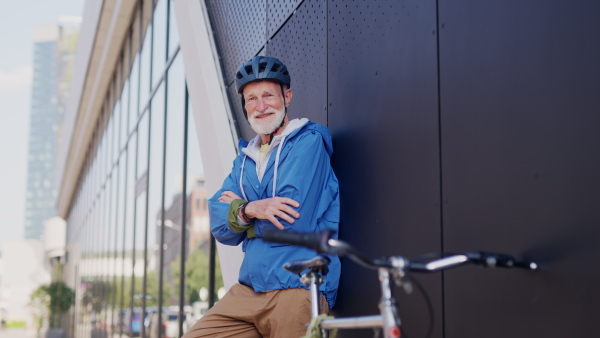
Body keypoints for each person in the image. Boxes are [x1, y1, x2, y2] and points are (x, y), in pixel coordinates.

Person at [183, 56, 340, 337]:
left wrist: (238, 211)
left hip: (297, 285)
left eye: (268, 95)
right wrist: (252, 209)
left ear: (287, 96)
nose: (261, 106)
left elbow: (292, 223)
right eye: (252, 99)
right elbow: (220, 228)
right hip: (249, 290)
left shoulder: (309, 141)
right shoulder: (244, 159)